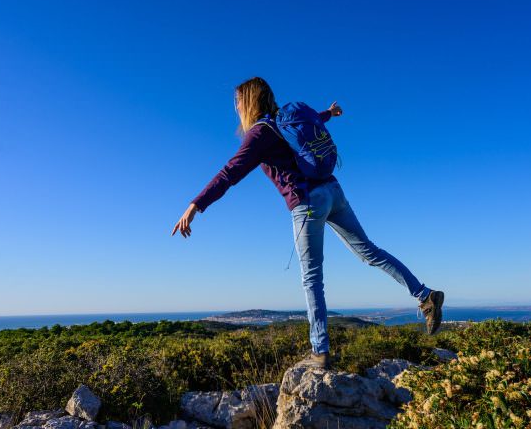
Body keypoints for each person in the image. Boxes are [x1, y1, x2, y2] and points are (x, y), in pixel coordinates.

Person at [172, 77, 444, 369]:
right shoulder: (288, 118)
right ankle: (425, 295)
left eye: (238, 102)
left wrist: (196, 205)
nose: (236, 107)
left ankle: (320, 351)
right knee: (370, 252)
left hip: (307, 202)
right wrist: (330, 113)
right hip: (333, 190)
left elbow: (230, 173)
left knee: (312, 278)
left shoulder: (259, 133)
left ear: (248, 102)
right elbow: (314, 118)